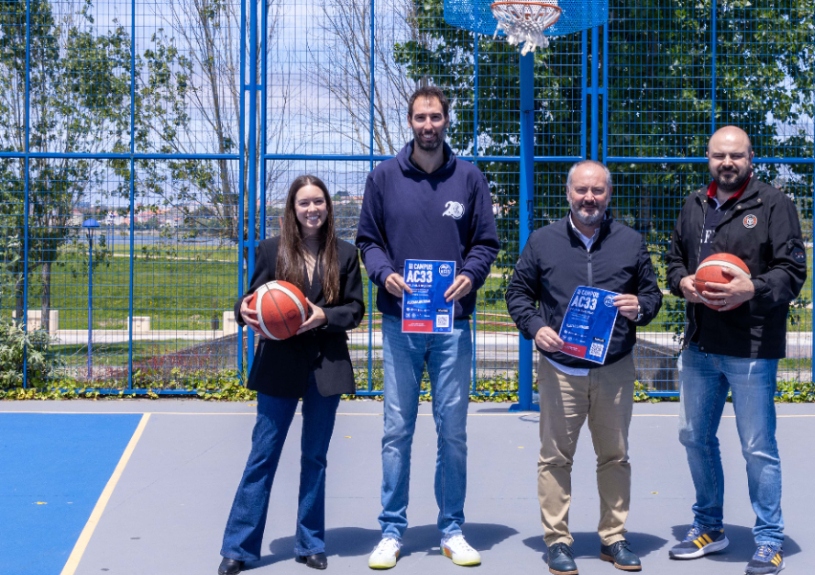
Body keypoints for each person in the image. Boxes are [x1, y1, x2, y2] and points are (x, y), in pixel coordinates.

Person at [356, 86, 501, 569]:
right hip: (400, 322)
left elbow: (485, 243)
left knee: (452, 431)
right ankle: (392, 530)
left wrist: (469, 275)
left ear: (446, 120)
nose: (428, 125)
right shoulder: (383, 177)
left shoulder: (469, 178)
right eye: (421, 117)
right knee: (397, 429)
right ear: (410, 121)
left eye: (436, 117)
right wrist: (384, 274)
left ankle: (452, 528)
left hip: (452, 325)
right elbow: (368, 240)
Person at [506, 160, 664, 575]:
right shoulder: (542, 241)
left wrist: (641, 306)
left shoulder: (630, 241)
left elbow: (652, 293)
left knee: (615, 455)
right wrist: (535, 327)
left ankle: (614, 537)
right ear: (568, 192)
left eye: (597, 191)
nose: (589, 198)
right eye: (582, 190)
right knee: (555, 458)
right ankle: (557, 541)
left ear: (608, 194)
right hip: (561, 368)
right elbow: (518, 292)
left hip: (614, 366)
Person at [665, 126, 806, 574]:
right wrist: (682, 282)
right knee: (694, 437)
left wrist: (755, 288)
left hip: (751, 346)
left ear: (751, 158)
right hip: (701, 345)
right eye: (719, 155)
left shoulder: (773, 204)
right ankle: (710, 526)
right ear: (708, 158)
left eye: (736, 156)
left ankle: (768, 538)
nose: (727, 163)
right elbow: (673, 262)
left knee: (757, 446)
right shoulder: (694, 205)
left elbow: (792, 270)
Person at [217, 175, 365, 575]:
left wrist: (323, 316)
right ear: (292, 209)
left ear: (328, 207)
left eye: (319, 202)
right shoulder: (270, 250)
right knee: (262, 456)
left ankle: (310, 542)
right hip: (279, 364)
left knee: (314, 458)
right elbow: (250, 301)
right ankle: (239, 547)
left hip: (326, 366)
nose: (312, 209)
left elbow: (355, 309)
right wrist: (242, 310)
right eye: (304, 203)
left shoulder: (346, 255)